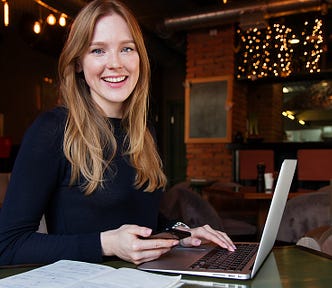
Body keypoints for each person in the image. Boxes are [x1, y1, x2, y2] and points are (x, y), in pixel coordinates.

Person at [0, 0, 235, 266]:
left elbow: (138, 218)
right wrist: (105, 244)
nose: (115, 63)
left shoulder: (143, 130)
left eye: (126, 49)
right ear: (78, 62)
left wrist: (181, 233)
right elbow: (7, 245)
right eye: (98, 50)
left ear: (139, 58)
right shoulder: (53, 130)